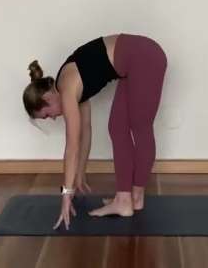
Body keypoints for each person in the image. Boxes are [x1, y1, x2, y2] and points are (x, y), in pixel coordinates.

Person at [22, 33, 168, 230]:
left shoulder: (66, 88)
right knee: (117, 127)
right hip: (135, 62)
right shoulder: (71, 85)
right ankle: (128, 198)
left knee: (141, 127)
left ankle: (133, 198)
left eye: (47, 115)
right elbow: (85, 131)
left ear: (48, 98)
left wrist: (66, 193)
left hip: (145, 57)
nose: (54, 118)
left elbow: (71, 146)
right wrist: (79, 173)